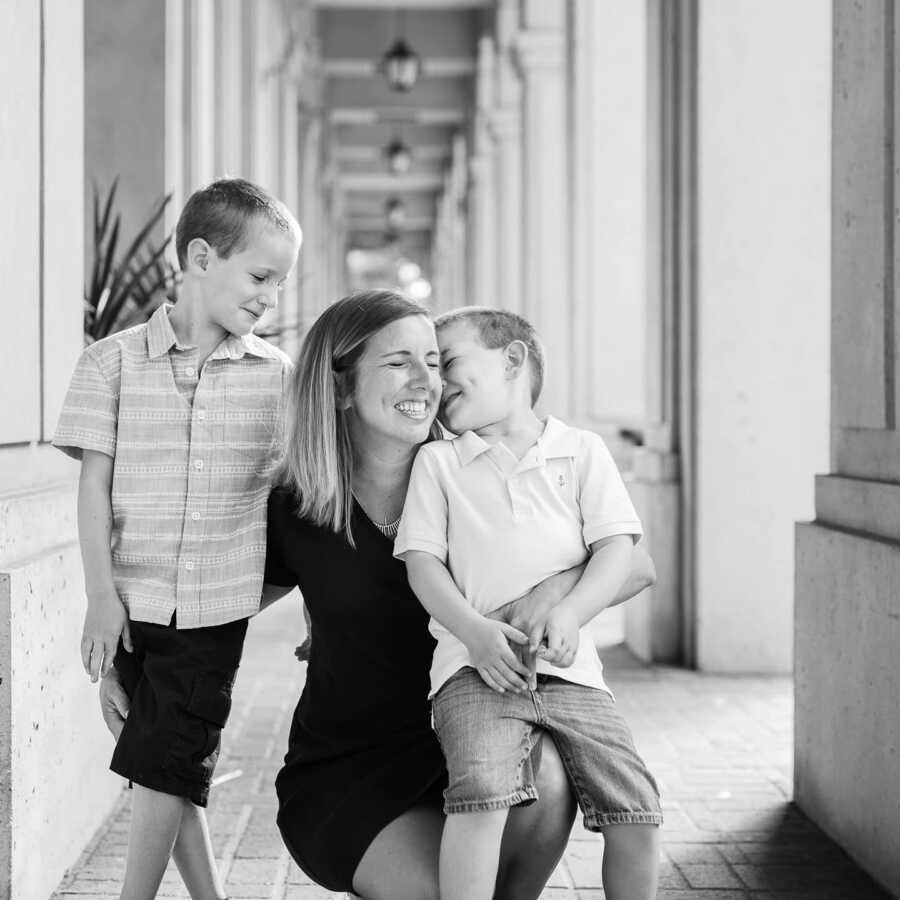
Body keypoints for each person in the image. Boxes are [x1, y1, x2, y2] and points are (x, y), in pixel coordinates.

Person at [100, 290, 656, 900]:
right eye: (398, 363)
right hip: (349, 772)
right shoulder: (297, 506)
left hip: (469, 745)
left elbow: (636, 565)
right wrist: (132, 663)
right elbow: (206, 601)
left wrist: (551, 593)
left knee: (548, 778)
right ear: (341, 387)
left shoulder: (475, 469)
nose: (427, 381)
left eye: (435, 362)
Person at [54, 178, 301, 900]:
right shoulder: (111, 363)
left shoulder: (276, 379)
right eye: (261, 276)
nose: (270, 298)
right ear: (200, 256)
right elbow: (92, 488)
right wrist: (101, 599)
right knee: (165, 767)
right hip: (130, 607)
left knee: (164, 761)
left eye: (280, 284)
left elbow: (296, 503)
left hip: (215, 613)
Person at [394, 307, 662, 900]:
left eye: (449, 361)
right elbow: (422, 564)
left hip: (575, 673)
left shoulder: (582, 450)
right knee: (480, 795)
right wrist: (473, 632)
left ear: (512, 359)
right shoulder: (439, 462)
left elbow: (617, 548)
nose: (437, 382)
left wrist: (570, 614)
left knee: (636, 808)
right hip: (476, 668)